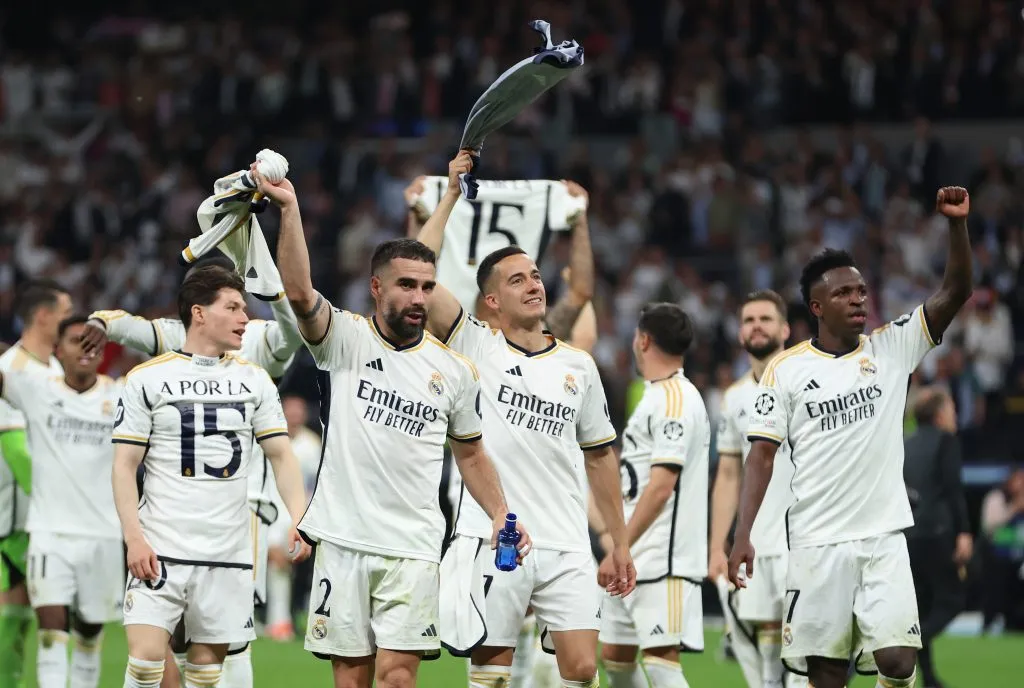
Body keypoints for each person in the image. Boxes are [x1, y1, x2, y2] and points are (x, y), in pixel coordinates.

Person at [255, 167, 527, 688]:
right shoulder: (343, 340)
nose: (420, 297)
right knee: (351, 681)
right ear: (377, 287)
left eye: (427, 286)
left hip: (414, 546)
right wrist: (289, 211)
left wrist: (500, 513)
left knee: (398, 680)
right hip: (345, 539)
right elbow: (298, 290)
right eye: (407, 285)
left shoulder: (454, 370)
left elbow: (471, 454)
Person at [729, 186, 974, 688]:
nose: (858, 299)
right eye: (843, 293)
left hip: (884, 536)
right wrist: (742, 534)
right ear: (817, 306)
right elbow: (760, 455)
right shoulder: (787, 369)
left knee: (899, 661)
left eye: (861, 290)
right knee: (827, 675)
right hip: (817, 543)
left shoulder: (891, 348)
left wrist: (956, 226)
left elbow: (956, 292)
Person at [419, 152, 635, 688]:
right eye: (518, 280)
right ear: (491, 300)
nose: (535, 284)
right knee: (491, 670)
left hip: (565, 539)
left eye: (536, 275)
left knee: (583, 670)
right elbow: (417, 271)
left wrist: (619, 541)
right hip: (500, 534)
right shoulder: (475, 344)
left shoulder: (577, 365)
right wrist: (449, 195)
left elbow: (601, 456)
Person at [85, 252, 304, 686]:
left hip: (227, 552)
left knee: (206, 674)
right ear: (199, 314)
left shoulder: (255, 379)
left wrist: (301, 517)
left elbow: (281, 454)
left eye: (244, 307)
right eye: (234, 307)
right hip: (161, 545)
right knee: (146, 663)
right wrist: (133, 537)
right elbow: (124, 465)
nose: (246, 316)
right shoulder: (147, 377)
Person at [0, 315, 123, 687]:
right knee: (51, 629)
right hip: (49, 533)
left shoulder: (122, 395)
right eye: (74, 341)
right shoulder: (37, 387)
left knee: (89, 635)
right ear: (57, 350)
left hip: (103, 534)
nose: (85, 349)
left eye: (92, 342)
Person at [596, 302, 710, 688]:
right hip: (635, 551)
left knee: (661, 661)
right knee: (615, 657)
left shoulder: (675, 400)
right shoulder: (654, 395)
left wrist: (619, 546)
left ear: (642, 340)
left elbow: (662, 486)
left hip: (663, 556)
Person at [708, 290, 804, 688]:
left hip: (804, 531)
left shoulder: (805, 380)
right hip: (757, 536)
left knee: (806, 645)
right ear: (739, 332)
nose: (756, 326)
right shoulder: (733, 398)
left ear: (784, 329)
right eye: (749, 320)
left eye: (765, 319)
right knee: (766, 636)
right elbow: (729, 473)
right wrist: (717, 544)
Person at [0, 279, 72, 687]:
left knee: (47, 608)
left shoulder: (56, 367)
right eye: (64, 313)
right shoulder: (10, 369)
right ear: (42, 317)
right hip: (19, 509)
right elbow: (15, 450)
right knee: (17, 603)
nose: (69, 321)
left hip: (49, 508)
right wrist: (57, 497)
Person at [903, 387, 973, 688]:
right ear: (941, 414)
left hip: (908, 536)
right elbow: (953, 490)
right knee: (953, 599)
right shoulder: (946, 442)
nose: (955, 415)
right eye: (953, 409)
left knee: (920, 607)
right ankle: (907, 645)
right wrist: (964, 532)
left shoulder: (907, 444)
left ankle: (929, 679)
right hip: (936, 533)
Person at [265, 394, 322, 642]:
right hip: (264, 513)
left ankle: (287, 621)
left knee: (284, 561)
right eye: (290, 411)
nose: (294, 416)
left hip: (298, 516)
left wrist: (302, 522)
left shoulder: (312, 445)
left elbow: (316, 487)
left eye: (299, 411)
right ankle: (268, 620)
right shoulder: (266, 439)